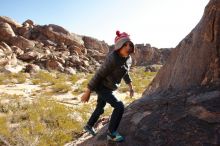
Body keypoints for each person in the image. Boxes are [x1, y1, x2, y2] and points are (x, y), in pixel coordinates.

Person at [81, 30, 135, 142]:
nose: (129, 46)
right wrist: (88, 91)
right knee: (119, 106)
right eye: (126, 44)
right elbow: (99, 74)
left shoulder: (128, 59)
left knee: (100, 108)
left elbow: (125, 72)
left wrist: (131, 87)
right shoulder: (113, 58)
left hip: (109, 87)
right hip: (102, 87)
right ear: (120, 45)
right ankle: (111, 134)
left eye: (130, 44)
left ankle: (89, 125)